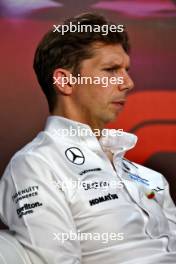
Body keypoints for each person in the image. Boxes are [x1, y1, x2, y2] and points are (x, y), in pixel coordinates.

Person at [0, 12, 176, 264]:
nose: (128, 83)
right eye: (111, 70)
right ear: (65, 81)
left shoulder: (151, 178)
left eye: (126, 70)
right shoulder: (35, 165)